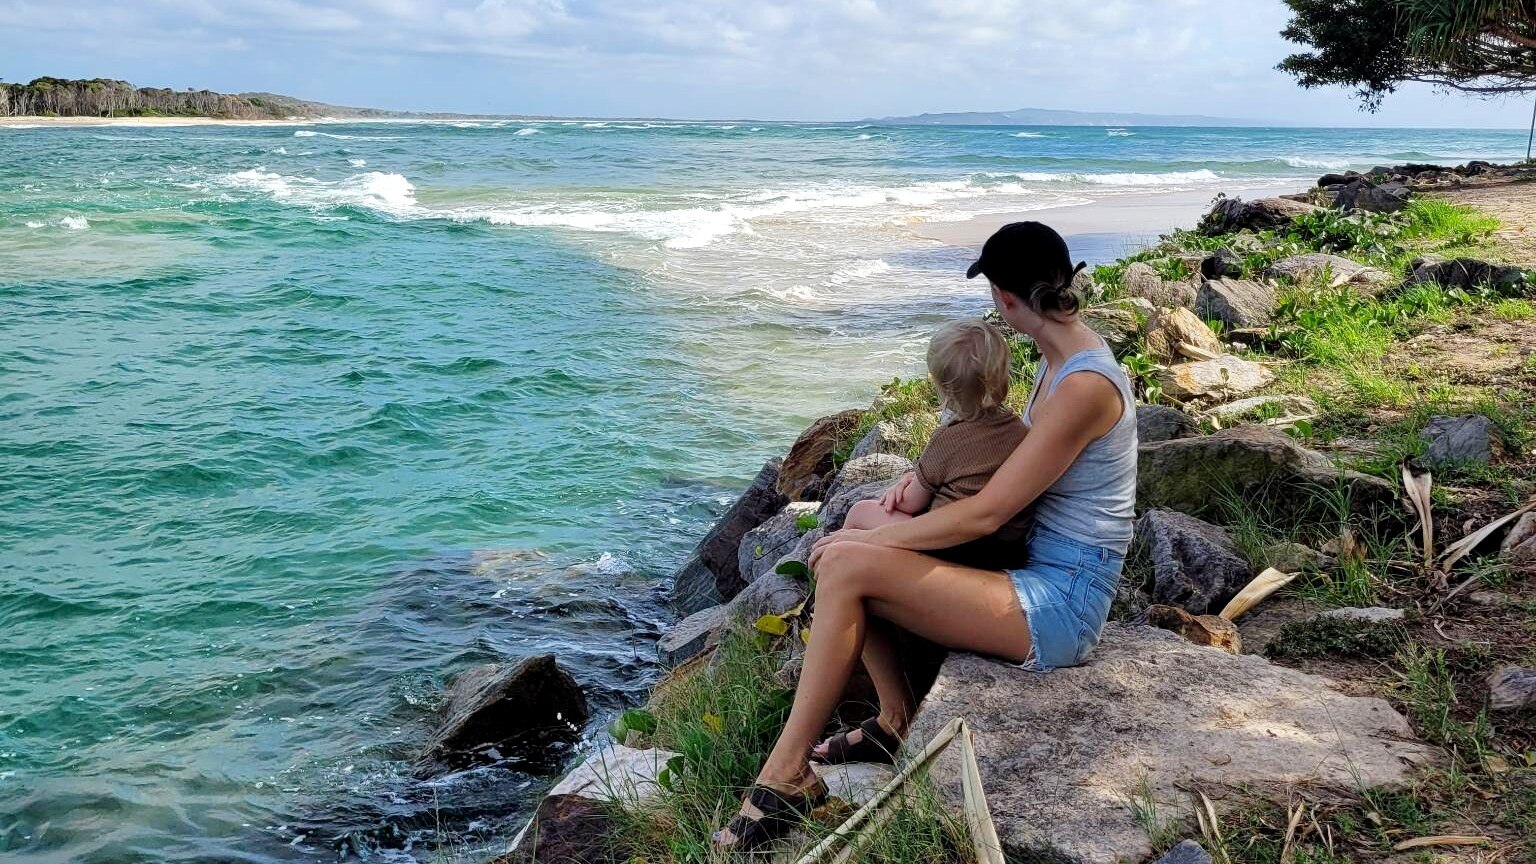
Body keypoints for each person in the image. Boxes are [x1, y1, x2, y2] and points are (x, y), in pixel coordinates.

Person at [713, 221, 1139, 850]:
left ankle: (785, 777)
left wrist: (877, 545)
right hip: (1029, 567)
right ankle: (892, 721)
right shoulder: (1063, 361)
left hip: (1062, 600)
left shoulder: (1082, 386)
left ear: (1005, 298)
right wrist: (894, 512)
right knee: (857, 539)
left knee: (850, 564)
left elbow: (985, 515)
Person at [839, 318, 1033, 575]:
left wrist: (908, 484)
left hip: (949, 547)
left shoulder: (948, 439)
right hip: (1005, 552)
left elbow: (910, 503)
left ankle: (837, 563)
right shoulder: (1020, 430)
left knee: (861, 511)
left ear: (943, 389)